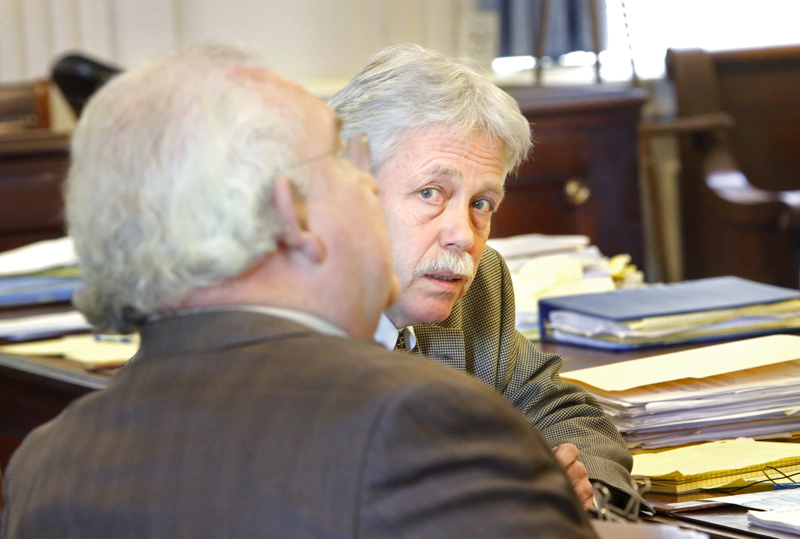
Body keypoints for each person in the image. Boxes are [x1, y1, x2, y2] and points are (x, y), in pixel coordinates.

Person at [1, 45, 598, 538]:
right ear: (291, 213)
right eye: (342, 168)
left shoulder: (43, 462)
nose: (461, 234)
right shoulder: (411, 420)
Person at [330, 43, 642, 511]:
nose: (463, 236)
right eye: (431, 193)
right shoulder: (290, 311)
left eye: (481, 203)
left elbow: (561, 412)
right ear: (351, 192)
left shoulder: (478, 286)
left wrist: (580, 488)